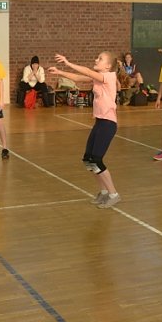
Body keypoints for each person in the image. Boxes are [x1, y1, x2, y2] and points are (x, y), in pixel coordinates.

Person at [49, 51, 121, 209]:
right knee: (88, 159)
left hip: (108, 124)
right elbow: (78, 78)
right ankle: (103, 192)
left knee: (97, 159)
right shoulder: (97, 78)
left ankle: (113, 194)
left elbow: (88, 72)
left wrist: (67, 62)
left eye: (100, 58)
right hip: (99, 122)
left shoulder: (109, 76)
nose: (96, 59)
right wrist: (60, 72)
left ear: (108, 66)